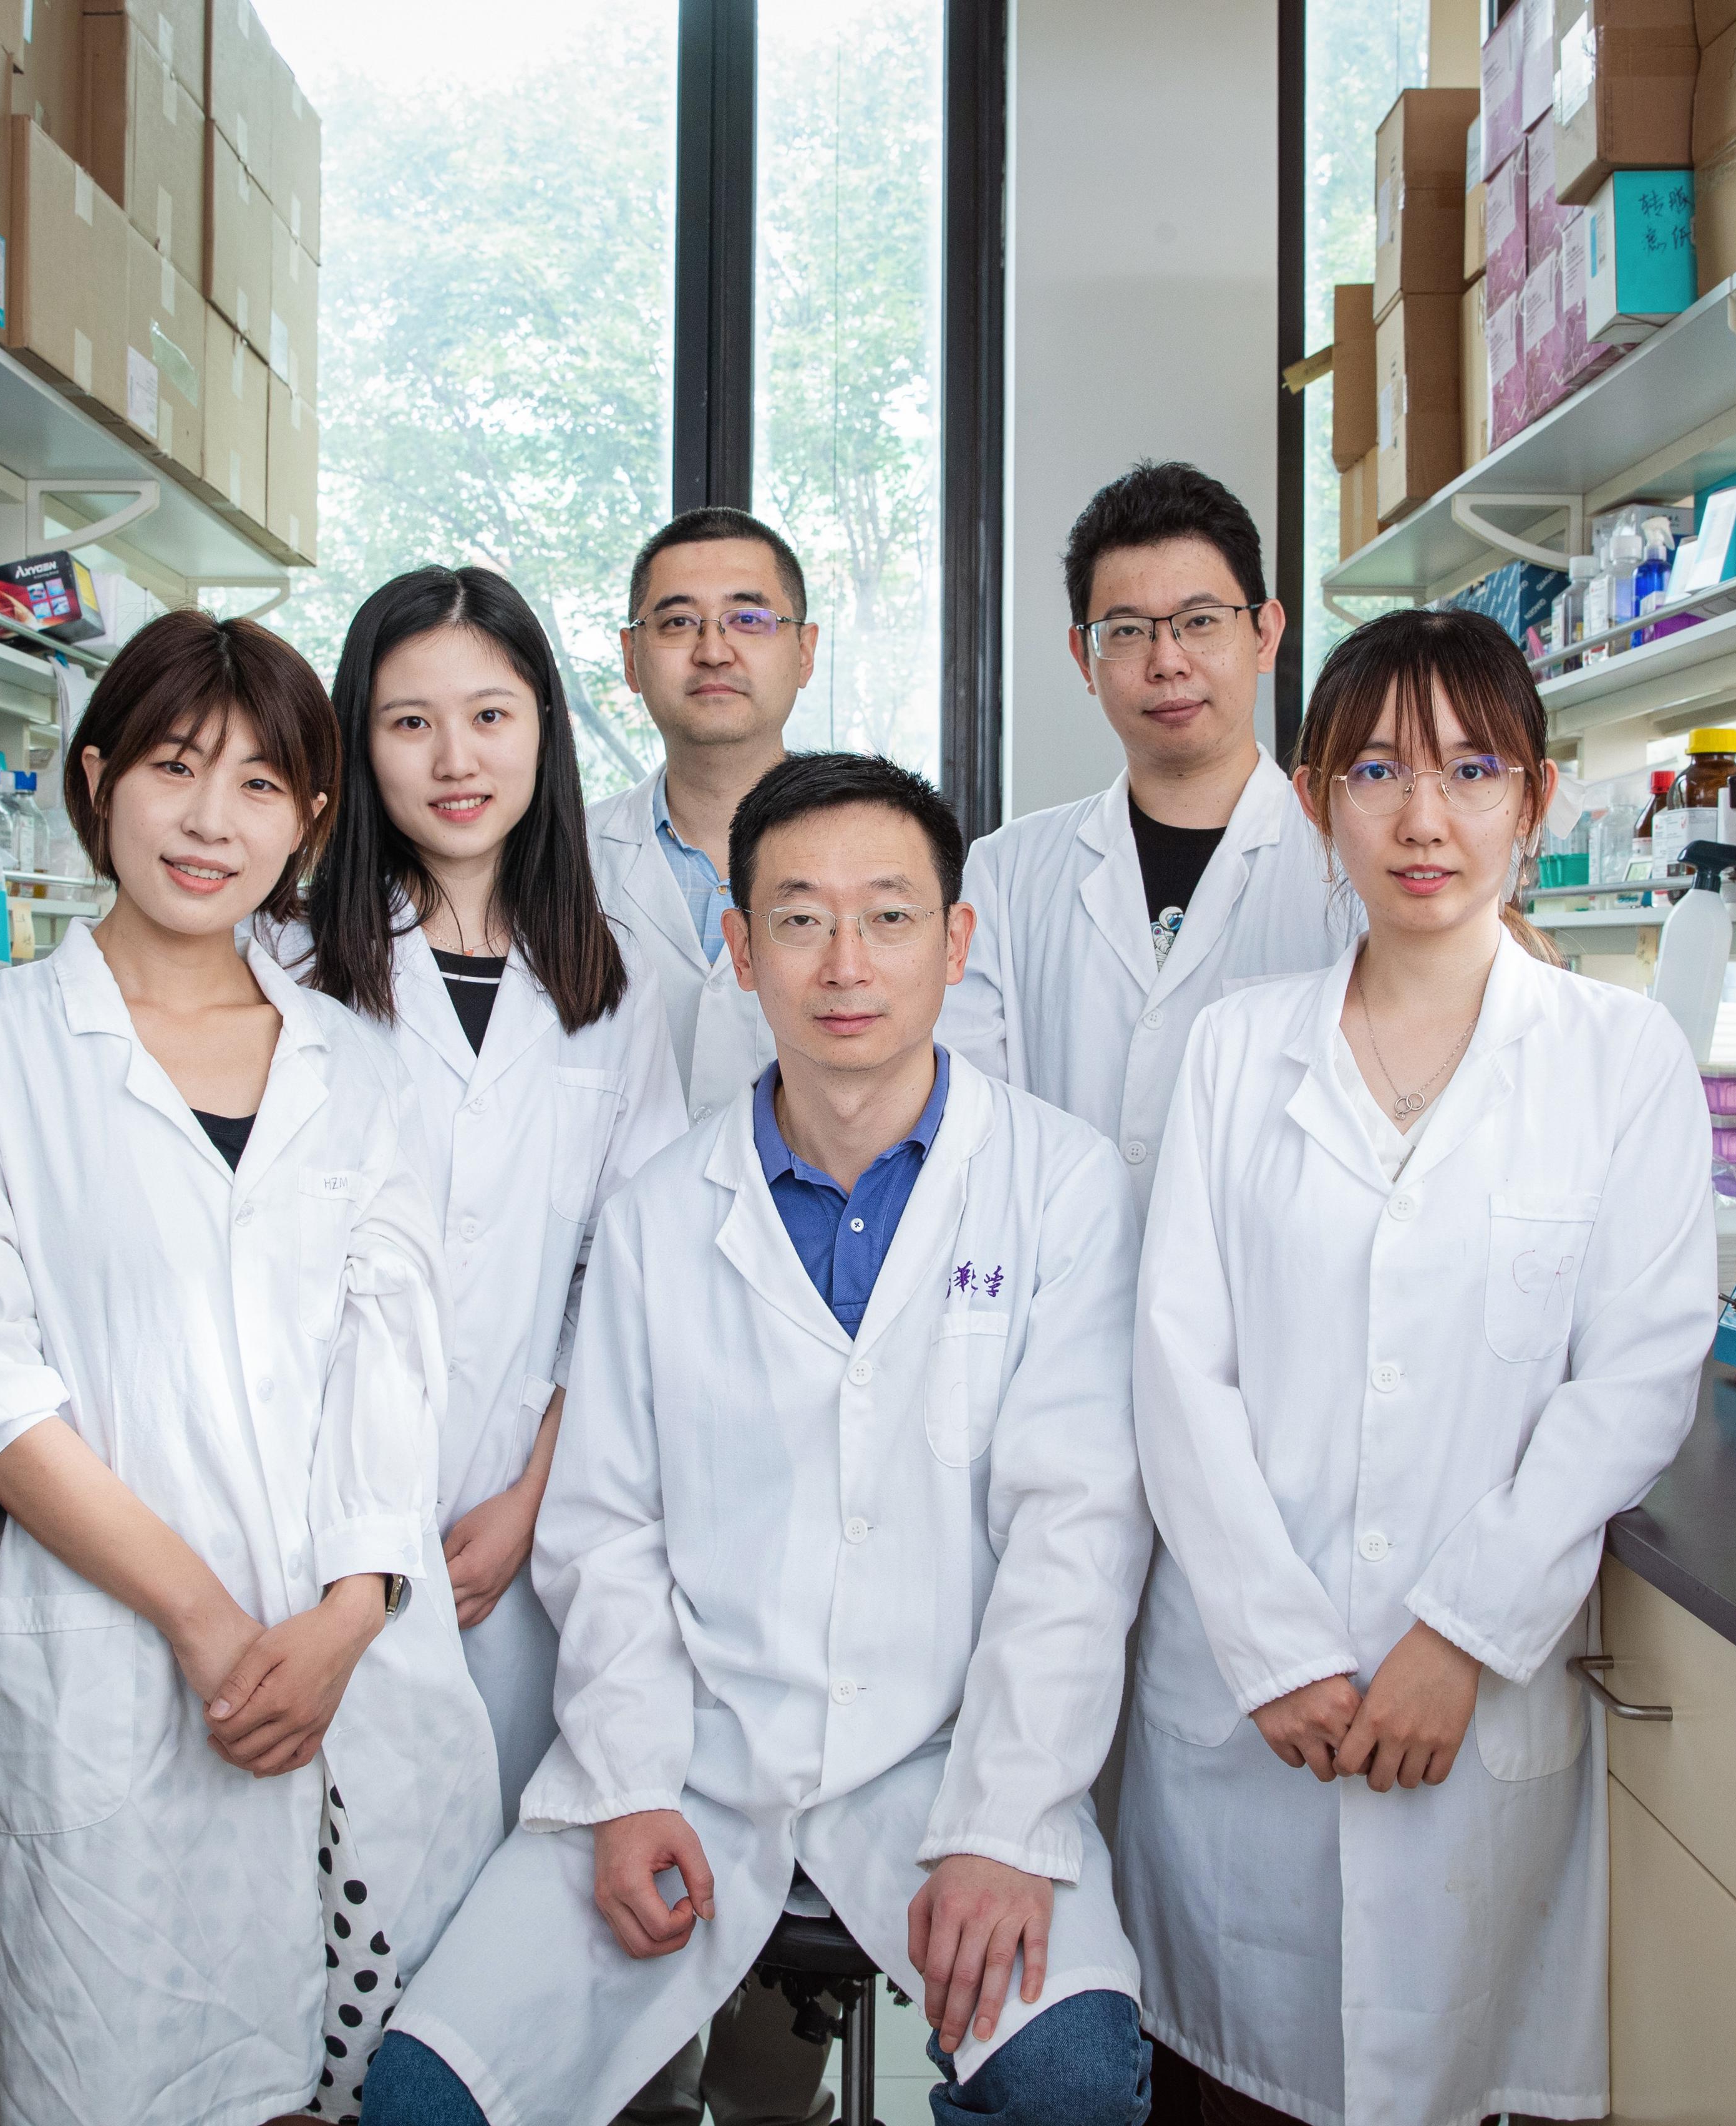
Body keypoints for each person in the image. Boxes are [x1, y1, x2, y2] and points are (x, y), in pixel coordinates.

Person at [368, 755, 1157, 2126]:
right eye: (799, 919)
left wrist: (1002, 1824)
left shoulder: (1061, 1189)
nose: (845, 961)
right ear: (739, 952)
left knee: (1071, 2088)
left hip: (946, 1762)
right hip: (691, 1756)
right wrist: (625, 1785)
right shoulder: (663, 1212)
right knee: (420, 2102)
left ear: (957, 942)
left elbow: (1075, 1535)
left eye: (891, 916)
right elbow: (607, 1529)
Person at [0, 609, 501, 2126]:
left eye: (261, 784)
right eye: (173, 766)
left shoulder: (359, 1061)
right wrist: (208, 1625)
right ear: (98, 782)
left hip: (360, 1663)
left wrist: (348, 1614)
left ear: (311, 818)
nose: (213, 820)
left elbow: (393, 1363)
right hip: (129, 1665)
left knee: (377, 2081)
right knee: (124, 2074)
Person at [1116, 609, 1715, 2126]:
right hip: (1250, 1722)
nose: (1423, 816)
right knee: (1231, 2092)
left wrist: (1461, 1635)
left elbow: (1635, 1381)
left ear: (1538, 797)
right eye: (1376, 770)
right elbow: (1178, 1369)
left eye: (1470, 769)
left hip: (1480, 1707)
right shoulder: (1235, 1051)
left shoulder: (1621, 1058)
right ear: (1315, 800)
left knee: (1459, 2076)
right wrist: (1274, 1649)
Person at [286, 564, 689, 1811]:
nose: (454, 758)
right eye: (410, 721)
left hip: (522, 1515)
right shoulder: (283, 962)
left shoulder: (614, 984)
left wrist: (532, 1495)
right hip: (304, 1507)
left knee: (501, 1864)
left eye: (490, 715)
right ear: (358, 744)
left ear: (543, 730)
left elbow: (629, 1274)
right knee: (321, 1855)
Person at [940, 461, 1360, 1208]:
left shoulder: (1351, 865)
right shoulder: (1005, 876)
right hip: (1060, 1273)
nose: (1167, 662)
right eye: (1128, 632)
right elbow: (968, 1121)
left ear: (1265, 634)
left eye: (1201, 622)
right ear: (1085, 658)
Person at [586, 506, 816, 1123]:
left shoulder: (887, 863)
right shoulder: (564, 860)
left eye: (749, 619)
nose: (714, 651)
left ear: (805, 651)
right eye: (678, 622)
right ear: (631, 658)